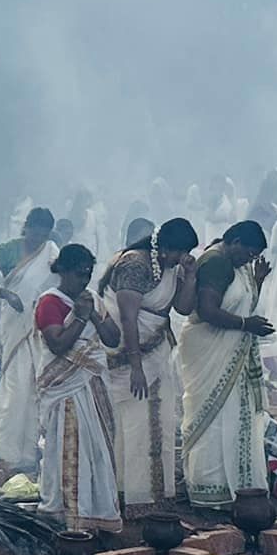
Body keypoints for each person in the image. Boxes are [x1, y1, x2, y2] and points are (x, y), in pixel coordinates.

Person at [100, 217, 198, 516]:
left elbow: (180, 308)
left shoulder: (171, 267)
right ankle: (127, 493)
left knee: (159, 422)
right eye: (179, 252)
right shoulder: (134, 264)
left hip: (157, 353)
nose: (181, 258)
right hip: (130, 357)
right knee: (131, 423)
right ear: (164, 246)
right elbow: (128, 318)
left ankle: (153, 494)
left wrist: (190, 276)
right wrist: (136, 366)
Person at [179, 221, 275, 510]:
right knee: (215, 420)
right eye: (247, 253)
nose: (248, 260)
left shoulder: (238, 265)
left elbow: (239, 300)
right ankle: (209, 488)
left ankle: (237, 487)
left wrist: (257, 281)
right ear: (233, 241)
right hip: (209, 350)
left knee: (235, 418)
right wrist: (247, 325)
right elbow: (209, 311)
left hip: (232, 353)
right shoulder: (218, 263)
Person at [33, 245, 120, 530]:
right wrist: (80, 317)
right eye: (79, 274)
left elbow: (112, 338)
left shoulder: (91, 299)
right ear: (64, 272)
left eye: (88, 274)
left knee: (98, 451)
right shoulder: (49, 302)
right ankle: (68, 516)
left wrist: (92, 314)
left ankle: (98, 513)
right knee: (70, 448)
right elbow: (57, 344)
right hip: (66, 389)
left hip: (93, 386)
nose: (84, 280)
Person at [0, 206, 58, 469]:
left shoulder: (51, 252)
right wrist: (7, 294)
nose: (37, 237)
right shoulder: (8, 250)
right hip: (15, 322)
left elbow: (60, 283)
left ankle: (28, 453)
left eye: (43, 233)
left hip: (41, 324)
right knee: (14, 386)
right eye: (34, 231)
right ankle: (6, 451)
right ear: (26, 226)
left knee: (35, 384)